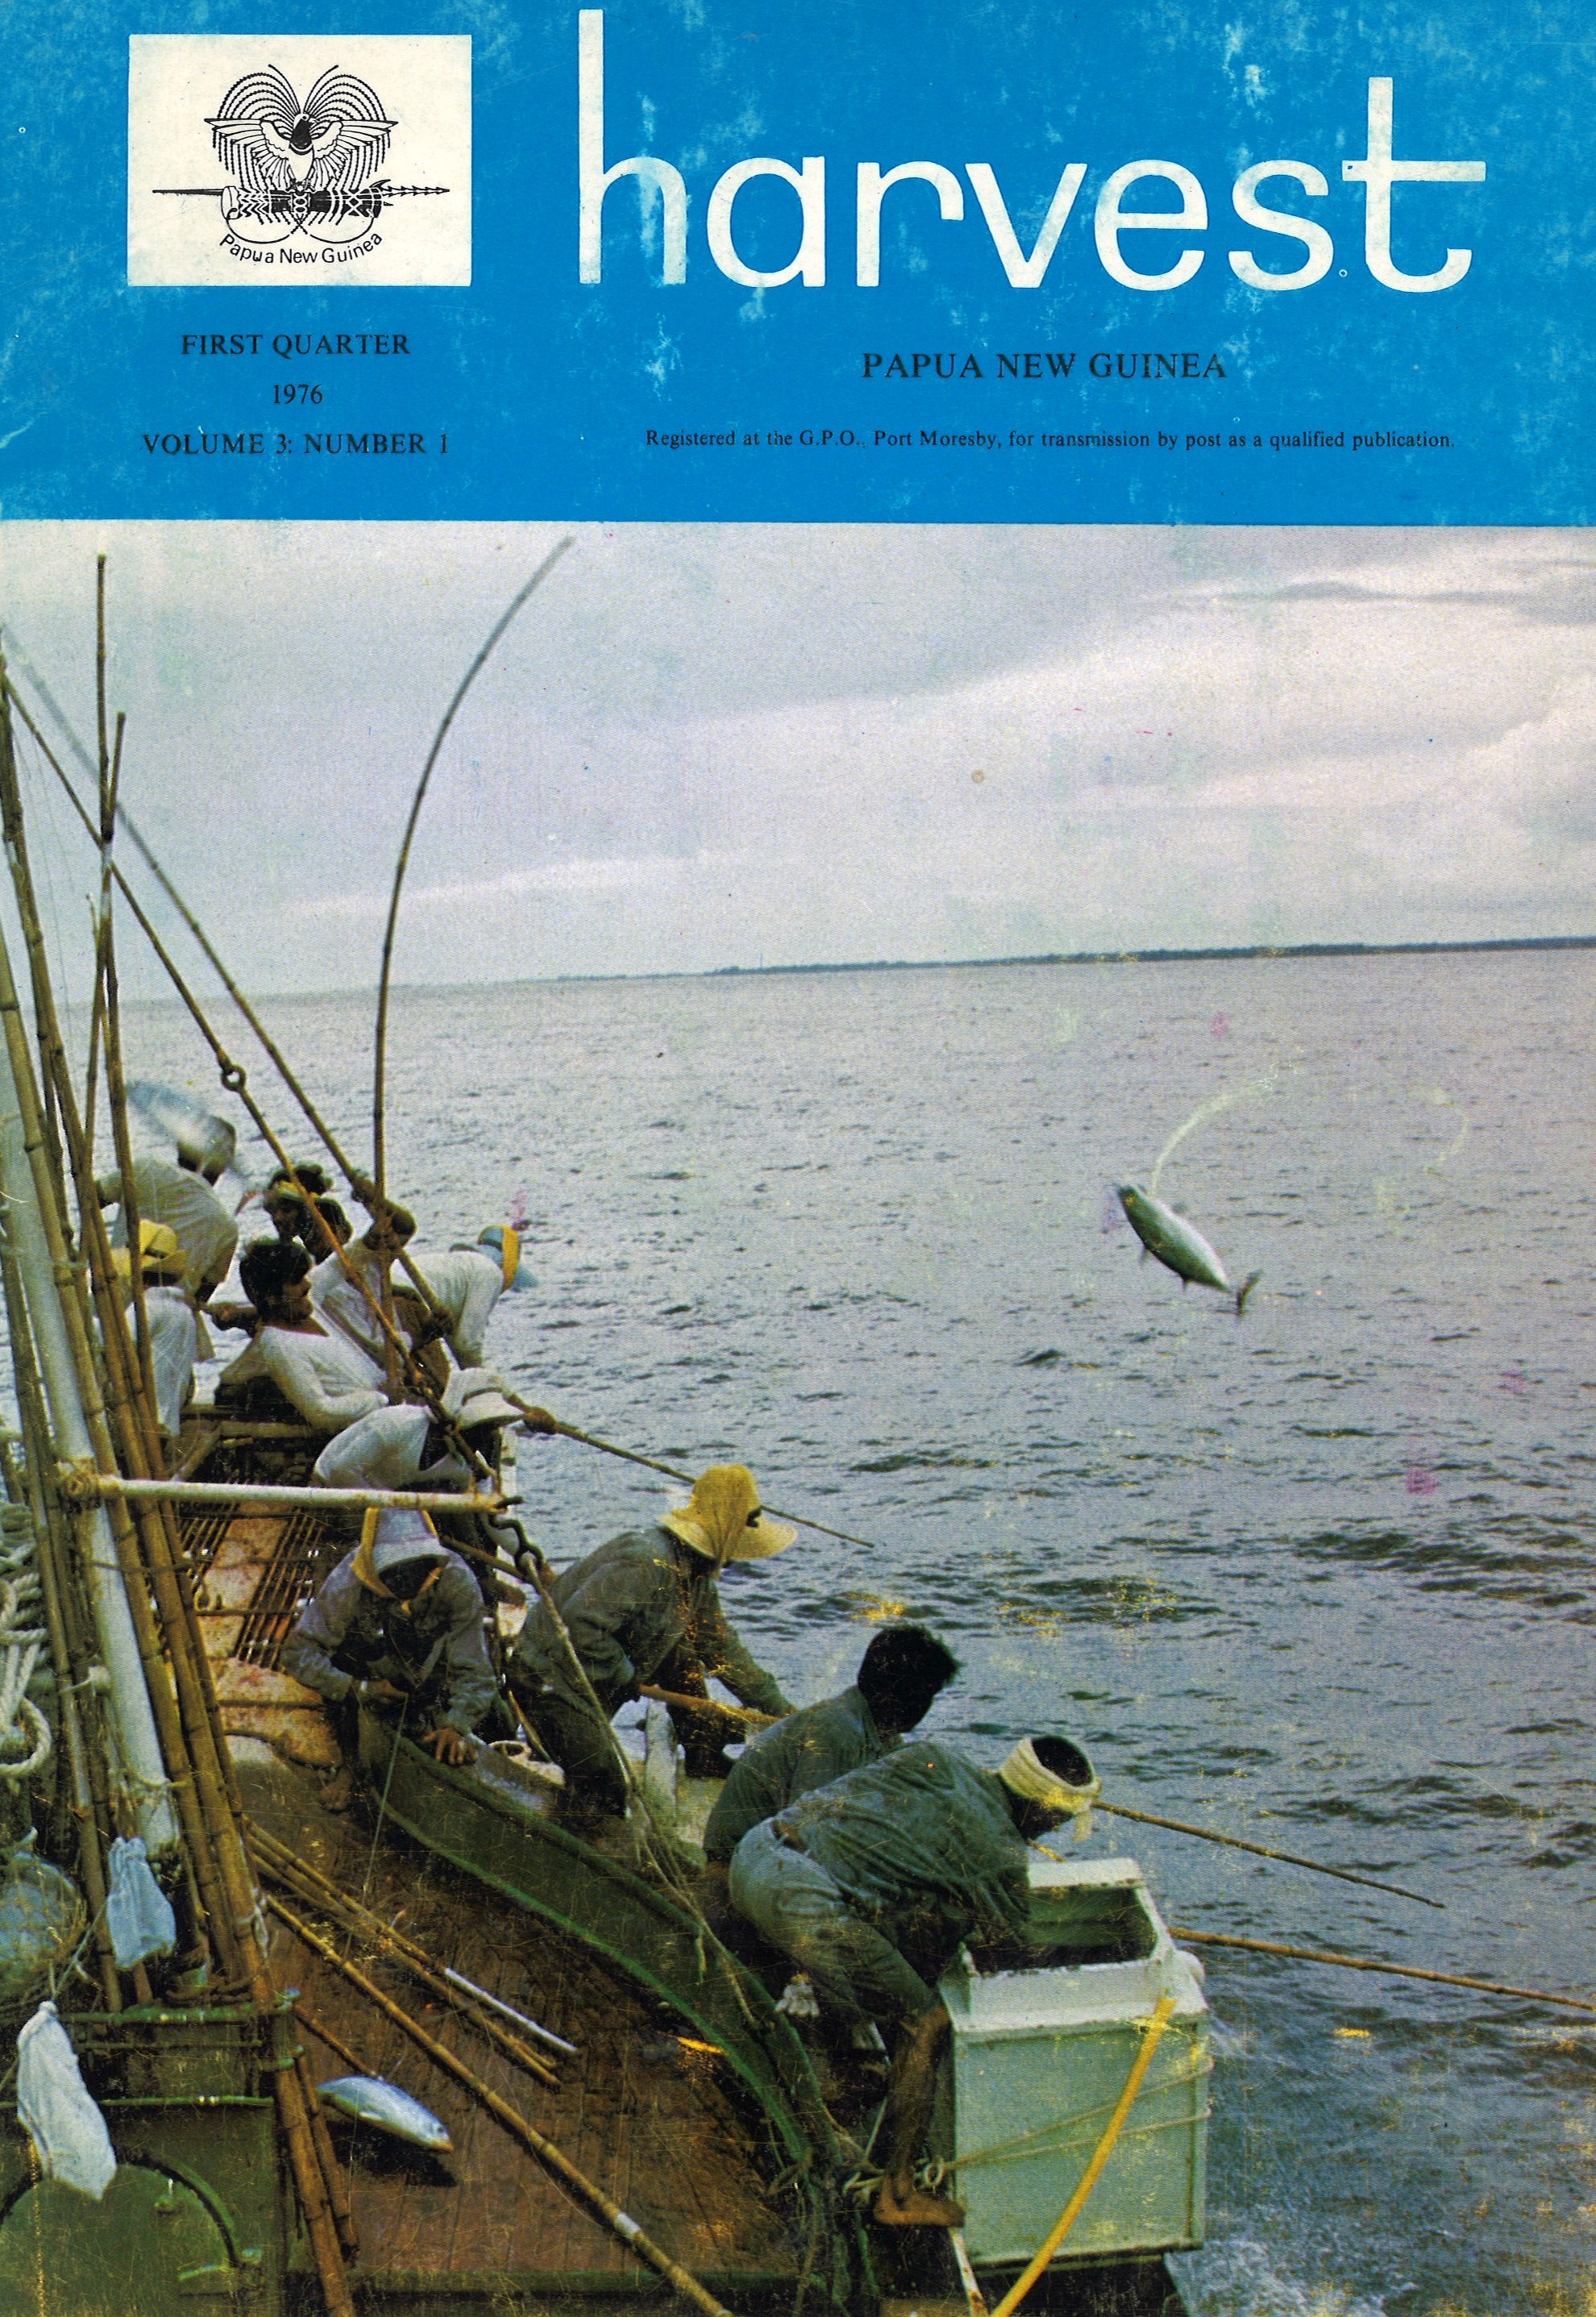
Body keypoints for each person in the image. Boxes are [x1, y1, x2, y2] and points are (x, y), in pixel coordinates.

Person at [727, 1733, 1099, 2228]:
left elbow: (885, 1838)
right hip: (797, 1901)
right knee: (925, 2021)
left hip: (754, 1851)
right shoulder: (1000, 1853)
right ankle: (898, 2193)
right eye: (1058, 1822)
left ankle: (842, 2069)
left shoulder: (935, 1757)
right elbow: (1010, 1948)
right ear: (1045, 1811)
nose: (1054, 1831)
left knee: (875, 1943)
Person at [509, 1464, 796, 1828]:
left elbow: (721, 1648)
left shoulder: (697, 1578)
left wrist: (779, 1708)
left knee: (684, 1654)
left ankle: (703, 1749)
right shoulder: (645, 1561)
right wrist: (626, 1676)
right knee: (604, 1788)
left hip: (597, 1673)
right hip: (549, 1680)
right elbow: (580, 1626)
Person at [281, 1510, 500, 1811]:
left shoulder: (456, 1579)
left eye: (418, 1570)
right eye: (397, 1574)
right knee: (345, 1667)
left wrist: (458, 1724)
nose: (407, 1581)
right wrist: (358, 1687)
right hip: (369, 1658)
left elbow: (474, 1665)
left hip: (426, 1660)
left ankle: (435, 1723)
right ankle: (352, 1768)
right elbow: (299, 1653)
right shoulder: (348, 1582)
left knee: (448, 1710)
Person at [703, 1624, 959, 1866]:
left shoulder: (876, 1727)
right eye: (922, 1696)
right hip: (737, 1858)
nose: (925, 1707)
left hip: (764, 1848)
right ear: (892, 1694)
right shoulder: (837, 1731)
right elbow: (807, 1830)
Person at [222, 1238, 386, 1432]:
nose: (307, 1286)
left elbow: (337, 1265)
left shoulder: (307, 1303)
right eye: (296, 1281)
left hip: (386, 1405)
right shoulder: (279, 1344)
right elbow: (320, 1413)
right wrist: (383, 1399)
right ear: (272, 1298)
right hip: (370, 1427)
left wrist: (372, 1240)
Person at [96, 1119, 239, 1304]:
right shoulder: (227, 1227)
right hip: (172, 1313)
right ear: (224, 1166)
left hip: (112, 1301)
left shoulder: (146, 1170)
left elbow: (91, 1198)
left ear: (181, 1145)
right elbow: (201, 1297)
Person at [113, 1221, 198, 1439]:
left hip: (145, 1419)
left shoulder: (148, 1306)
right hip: (167, 1418)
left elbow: (116, 1344)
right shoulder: (183, 1311)